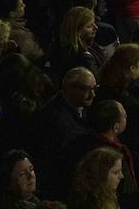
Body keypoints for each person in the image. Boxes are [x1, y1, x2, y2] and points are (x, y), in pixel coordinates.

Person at [34, 67, 96, 199]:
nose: (92, 95)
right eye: (86, 89)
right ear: (68, 88)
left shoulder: (81, 105)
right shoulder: (55, 120)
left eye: (94, 89)